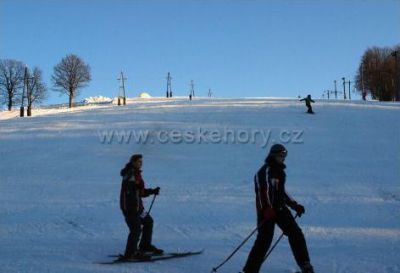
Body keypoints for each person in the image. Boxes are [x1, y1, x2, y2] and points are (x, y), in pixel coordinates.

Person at [242, 144, 314, 273]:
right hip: (266, 212)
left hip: (280, 210)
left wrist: (294, 205)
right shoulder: (264, 172)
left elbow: (281, 192)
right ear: (273, 155)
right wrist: (267, 209)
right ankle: (250, 271)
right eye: (281, 155)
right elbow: (262, 192)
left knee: (296, 234)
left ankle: (305, 265)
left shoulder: (279, 172)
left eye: (285, 155)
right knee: (264, 241)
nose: (284, 158)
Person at [120, 154, 163, 259]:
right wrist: (135, 187)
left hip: (138, 208)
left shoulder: (137, 174)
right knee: (136, 229)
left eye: (141, 161)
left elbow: (140, 192)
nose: (141, 163)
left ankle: (144, 246)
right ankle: (130, 253)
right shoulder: (130, 173)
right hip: (130, 208)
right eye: (139, 161)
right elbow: (129, 186)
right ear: (133, 162)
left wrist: (152, 191)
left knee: (148, 221)